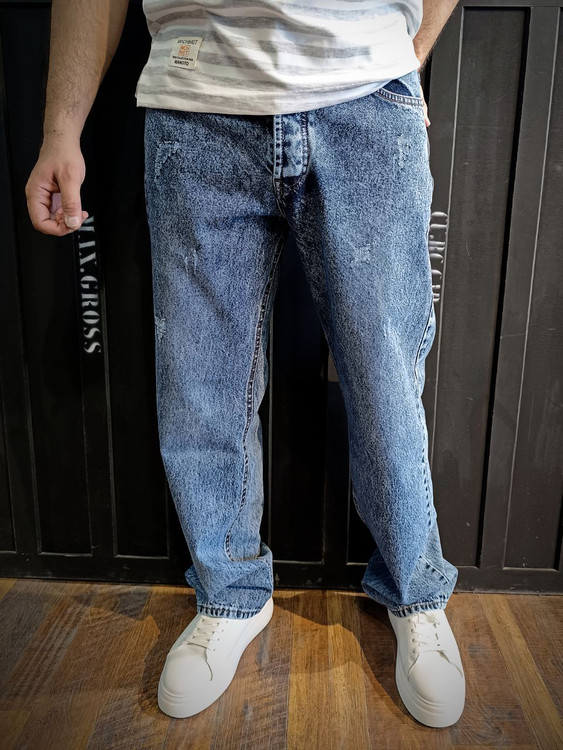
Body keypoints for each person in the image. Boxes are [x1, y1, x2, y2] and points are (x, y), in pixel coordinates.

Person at [25, 0, 465, 729]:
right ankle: (229, 593)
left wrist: (405, 57)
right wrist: (60, 129)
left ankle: (415, 593)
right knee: (201, 385)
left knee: (385, 381)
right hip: (195, 104)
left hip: (364, 98)